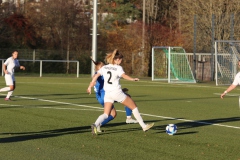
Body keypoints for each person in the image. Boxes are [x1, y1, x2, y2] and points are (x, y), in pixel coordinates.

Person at [87, 49, 154, 135]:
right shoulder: (118, 68)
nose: (121, 61)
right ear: (116, 59)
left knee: (106, 114)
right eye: (121, 59)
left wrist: (91, 85)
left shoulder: (104, 67)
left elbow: (96, 75)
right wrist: (133, 79)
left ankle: (95, 124)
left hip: (108, 94)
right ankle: (143, 126)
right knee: (134, 107)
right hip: (116, 93)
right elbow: (124, 76)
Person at [92, 61, 138, 132]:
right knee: (128, 97)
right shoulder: (102, 74)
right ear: (100, 68)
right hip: (106, 96)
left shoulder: (97, 75)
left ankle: (98, 125)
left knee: (113, 114)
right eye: (103, 66)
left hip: (100, 98)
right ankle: (129, 118)